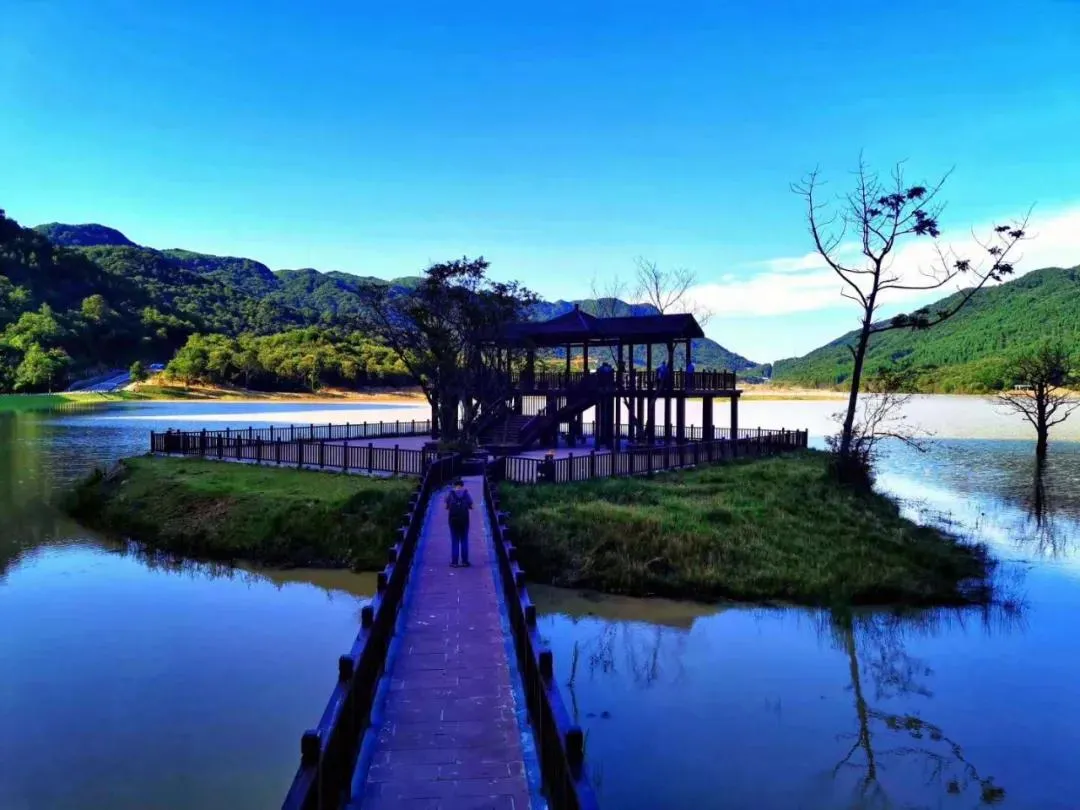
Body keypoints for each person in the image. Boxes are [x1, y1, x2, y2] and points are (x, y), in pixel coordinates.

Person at [445, 478, 473, 567]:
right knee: (464, 540)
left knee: (455, 541)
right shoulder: (466, 493)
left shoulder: (451, 494)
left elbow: (446, 507)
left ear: (455, 486)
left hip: (453, 521)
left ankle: (454, 562)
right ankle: (465, 561)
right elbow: (472, 506)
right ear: (462, 485)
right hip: (464, 520)